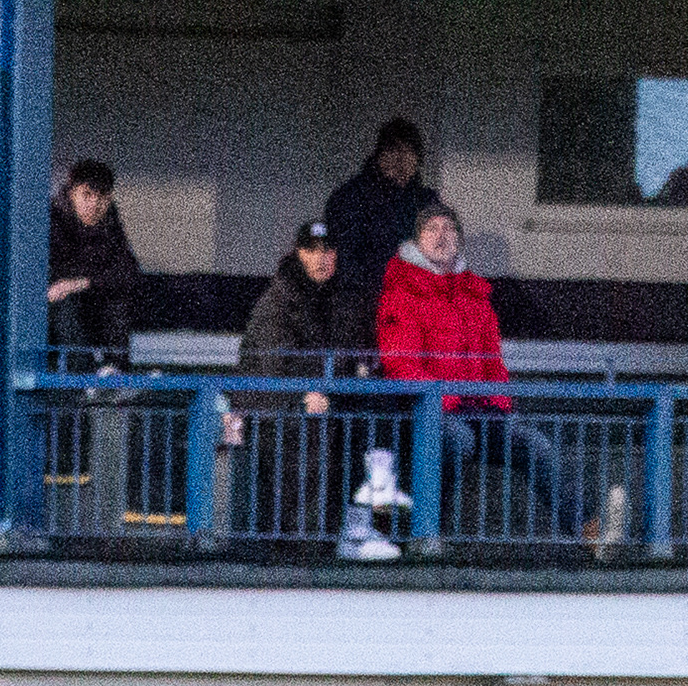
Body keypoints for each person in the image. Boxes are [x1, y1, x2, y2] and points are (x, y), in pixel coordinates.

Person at [377, 203, 570, 536]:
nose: (442, 236)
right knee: (456, 439)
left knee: (536, 445)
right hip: (426, 408)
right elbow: (401, 363)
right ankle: (423, 533)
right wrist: (439, 399)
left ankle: (590, 529)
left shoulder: (475, 294)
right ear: (416, 240)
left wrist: (501, 405)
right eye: (431, 229)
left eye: (449, 229)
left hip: (479, 409)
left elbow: (493, 362)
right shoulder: (402, 292)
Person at [238, 218, 372, 541]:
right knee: (306, 436)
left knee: (371, 418)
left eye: (328, 251)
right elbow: (274, 365)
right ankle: (292, 541)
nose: (321, 258)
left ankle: (349, 531)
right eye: (312, 250)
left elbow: (355, 353)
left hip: (328, 400)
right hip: (274, 404)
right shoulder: (280, 298)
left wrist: (358, 369)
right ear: (299, 253)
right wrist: (306, 393)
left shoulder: (344, 298)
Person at [320, 117, 442, 335]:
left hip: (416, 312)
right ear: (379, 155)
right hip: (362, 311)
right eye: (393, 151)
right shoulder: (351, 197)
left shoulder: (427, 202)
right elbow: (344, 259)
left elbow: (441, 258)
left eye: (409, 153)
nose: (401, 160)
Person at [46, 160, 141, 371]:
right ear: (72, 194)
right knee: (64, 304)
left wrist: (82, 283)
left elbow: (128, 272)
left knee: (118, 303)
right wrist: (71, 285)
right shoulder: (50, 220)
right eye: (87, 195)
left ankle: (115, 374)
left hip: (90, 304)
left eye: (102, 197)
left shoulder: (109, 224)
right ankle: (81, 381)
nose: (94, 205)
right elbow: (54, 280)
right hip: (50, 314)